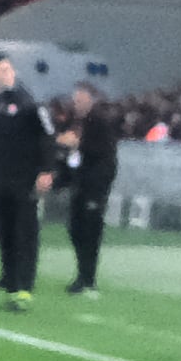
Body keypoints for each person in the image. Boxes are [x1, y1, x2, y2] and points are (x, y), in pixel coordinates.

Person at [0, 55, 48, 309]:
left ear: (13, 71)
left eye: (4, 70)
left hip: (25, 178)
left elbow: (47, 137)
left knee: (25, 231)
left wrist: (47, 170)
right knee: (3, 230)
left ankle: (25, 287)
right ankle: (10, 280)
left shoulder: (30, 103)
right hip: (0, 177)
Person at [56, 82, 116, 295]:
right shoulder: (75, 122)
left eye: (80, 100)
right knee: (75, 229)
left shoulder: (100, 123)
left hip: (94, 186)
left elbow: (103, 154)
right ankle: (82, 274)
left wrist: (77, 144)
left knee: (90, 231)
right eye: (75, 100)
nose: (77, 104)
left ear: (91, 100)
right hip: (80, 184)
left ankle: (88, 278)